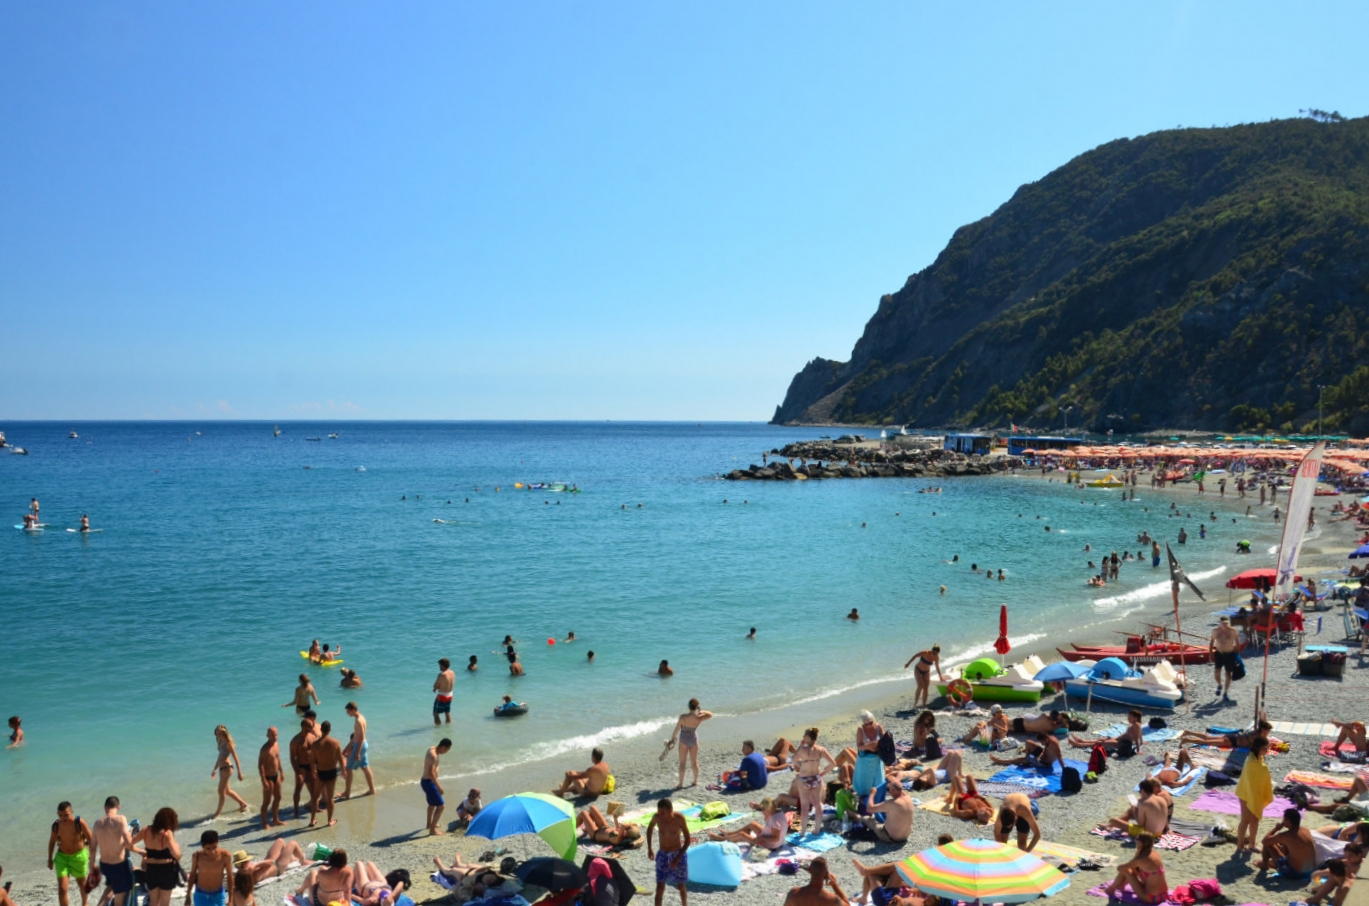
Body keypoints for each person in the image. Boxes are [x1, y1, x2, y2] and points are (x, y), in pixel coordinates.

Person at [791, 728, 837, 837]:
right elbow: (833, 764)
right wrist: (823, 773)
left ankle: (802, 832)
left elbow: (793, 759)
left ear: (808, 737)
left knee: (805, 806)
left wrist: (800, 759)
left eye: (804, 735)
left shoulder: (802, 750)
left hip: (804, 779)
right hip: (816, 778)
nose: (803, 737)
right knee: (817, 804)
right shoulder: (821, 750)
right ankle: (816, 829)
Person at [90, 797, 135, 906]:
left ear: (105, 807)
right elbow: (128, 842)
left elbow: (92, 847)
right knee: (120, 898)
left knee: (111, 887)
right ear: (118, 807)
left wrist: (92, 865)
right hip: (119, 865)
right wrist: (131, 831)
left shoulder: (97, 823)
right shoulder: (120, 819)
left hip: (105, 865)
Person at [131, 808, 180, 906]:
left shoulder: (145, 830)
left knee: (153, 902)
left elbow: (128, 844)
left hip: (151, 871)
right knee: (164, 903)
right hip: (166, 872)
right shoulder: (167, 834)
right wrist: (176, 846)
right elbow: (177, 855)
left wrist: (140, 851)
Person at [646, 799, 690, 906]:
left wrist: (677, 858)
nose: (660, 815)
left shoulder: (679, 819)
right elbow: (650, 829)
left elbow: (688, 840)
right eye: (659, 812)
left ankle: (685, 904)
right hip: (662, 853)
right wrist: (649, 848)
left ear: (671, 810)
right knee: (660, 887)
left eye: (663, 813)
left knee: (680, 885)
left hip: (677, 853)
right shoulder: (657, 817)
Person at [1103, 832, 1167, 905]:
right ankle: (1121, 886)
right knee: (1132, 869)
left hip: (1151, 898)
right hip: (1163, 896)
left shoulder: (1141, 859)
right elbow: (1134, 868)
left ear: (1141, 843)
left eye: (1136, 839)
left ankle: (1112, 889)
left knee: (1126, 870)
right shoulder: (1153, 853)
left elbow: (1120, 868)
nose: (1135, 840)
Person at [1235, 736, 1273, 854]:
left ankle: (1252, 844)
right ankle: (1240, 846)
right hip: (1246, 793)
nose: (1266, 752)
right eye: (1264, 749)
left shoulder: (1257, 758)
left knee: (1255, 820)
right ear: (1258, 748)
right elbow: (1259, 773)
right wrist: (1265, 771)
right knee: (1245, 820)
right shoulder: (1251, 761)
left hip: (1254, 794)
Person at [1255, 807, 1316, 878]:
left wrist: (1275, 829)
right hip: (1309, 871)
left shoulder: (1288, 835)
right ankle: (1274, 863)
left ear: (1289, 821)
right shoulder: (1305, 830)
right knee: (1283, 844)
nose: (1283, 821)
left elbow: (1265, 841)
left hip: (1295, 873)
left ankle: (1264, 865)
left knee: (1268, 844)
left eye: (1284, 819)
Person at [708, 797, 789, 848]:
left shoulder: (775, 821)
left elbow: (776, 838)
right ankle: (729, 834)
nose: (762, 812)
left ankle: (722, 839)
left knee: (742, 835)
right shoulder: (777, 812)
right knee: (752, 824)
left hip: (770, 845)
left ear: (767, 809)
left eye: (763, 810)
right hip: (768, 835)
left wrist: (762, 838)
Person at [669, 699, 714, 789]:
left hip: (683, 739)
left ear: (688, 707)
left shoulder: (683, 717)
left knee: (682, 763)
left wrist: (673, 737)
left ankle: (681, 784)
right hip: (693, 739)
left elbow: (677, 729)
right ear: (696, 707)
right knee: (694, 762)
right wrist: (703, 711)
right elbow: (710, 715)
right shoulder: (699, 718)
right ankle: (695, 781)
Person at [308, 721, 344, 827]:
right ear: (330, 730)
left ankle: (312, 820)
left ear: (321, 730)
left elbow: (312, 761)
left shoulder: (315, 744)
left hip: (321, 772)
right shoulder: (335, 743)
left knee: (315, 797)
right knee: (330, 798)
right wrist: (344, 771)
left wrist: (313, 771)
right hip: (332, 772)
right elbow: (340, 759)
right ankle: (329, 821)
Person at [186, 830, 235, 906]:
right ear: (202, 846)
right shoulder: (197, 856)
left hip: (218, 895)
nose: (212, 851)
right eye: (208, 848)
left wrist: (231, 899)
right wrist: (188, 896)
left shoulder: (225, 856)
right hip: (201, 894)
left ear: (218, 842)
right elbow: (192, 875)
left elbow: (230, 877)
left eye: (214, 847)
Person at [211, 726, 251, 818]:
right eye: (217, 733)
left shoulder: (228, 743)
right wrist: (215, 769)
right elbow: (219, 757)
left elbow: (236, 758)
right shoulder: (221, 743)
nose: (218, 735)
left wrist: (239, 772)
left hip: (227, 768)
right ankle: (243, 804)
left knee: (221, 791)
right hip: (222, 769)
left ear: (224, 733)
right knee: (227, 790)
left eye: (220, 733)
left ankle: (217, 813)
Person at [230, 840, 309, 884]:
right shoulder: (254, 874)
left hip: (270, 864)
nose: (249, 862)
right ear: (244, 864)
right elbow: (271, 862)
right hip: (278, 867)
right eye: (247, 861)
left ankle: (290, 859)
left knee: (280, 841)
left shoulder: (242, 872)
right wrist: (255, 865)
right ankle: (303, 861)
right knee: (293, 843)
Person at [340, 702, 375, 799]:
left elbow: (362, 737)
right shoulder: (359, 718)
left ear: (353, 710)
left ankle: (347, 793)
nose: (347, 713)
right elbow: (356, 735)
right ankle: (372, 790)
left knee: (348, 768)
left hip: (360, 746)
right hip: (360, 745)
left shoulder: (359, 720)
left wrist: (358, 752)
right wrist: (347, 748)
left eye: (348, 711)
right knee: (365, 767)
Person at [1070, 709, 1144, 754]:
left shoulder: (1136, 725)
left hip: (1121, 743)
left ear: (1135, 718)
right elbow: (1140, 734)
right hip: (1118, 739)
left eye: (1130, 718)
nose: (1128, 719)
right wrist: (1142, 742)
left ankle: (1078, 744)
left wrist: (1138, 749)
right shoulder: (1137, 724)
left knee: (1100, 743)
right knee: (1101, 739)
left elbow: (1137, 737)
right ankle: (1081, 740)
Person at [783, 857, 849, 906]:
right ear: (827, 874)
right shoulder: (832, 899)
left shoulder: (794, 893)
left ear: (809, 870)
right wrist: (835, 885)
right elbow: (847, 904)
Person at [288, 717, 317, 820]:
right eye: (309, 726)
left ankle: (314, 808)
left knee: (314, 789)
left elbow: (315, 752)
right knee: (298, 788)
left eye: (312, 725)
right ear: (303, 726)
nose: (312, 727)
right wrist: (298, 773)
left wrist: (316, 767)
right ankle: (296, 811)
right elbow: (292, 758)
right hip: (301, 767)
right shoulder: (295, 741)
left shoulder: (313, 737)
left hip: (311, 766)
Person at [422, 740, 452, 835]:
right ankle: (432, 830)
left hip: (425, 781)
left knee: (432, 805)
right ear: (443, 747)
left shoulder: (432, 748)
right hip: (429, 782)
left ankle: (429, 824)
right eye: (447, 750)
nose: (446, 752)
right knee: (441, 806)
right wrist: (439, 786)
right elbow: (431, 773)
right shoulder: (434, 756)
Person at [256, 727, 284, 830]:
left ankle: (275, 819)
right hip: (268, 777)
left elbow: (277, 759)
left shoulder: (276, 745)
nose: (275, 737)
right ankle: (264, 823)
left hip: (276, 775)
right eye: (272, 735)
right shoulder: (265, 749)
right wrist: (263, 780)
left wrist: (281, 772)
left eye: (276, 734)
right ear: (267, 735)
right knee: (267, 801)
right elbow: (260, 765)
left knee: (278, 797)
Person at [1178, 719, 1272, 749]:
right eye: (1268, 731)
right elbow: (1260, 746)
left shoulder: (1256, 731)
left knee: (1208, 737)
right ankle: (1187, 740)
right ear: (1264, 730)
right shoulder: (1258, 736)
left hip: (1233, 736)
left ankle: (1189, 732)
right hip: (1233, 741)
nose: (1268, 733)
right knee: (1207, 741)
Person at [577, 804, 642, 846]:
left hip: (595, 833)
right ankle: (587, 827)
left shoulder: (617, 839)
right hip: (604, 827)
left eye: (627, 828)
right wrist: (615, 818)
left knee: (584, 813)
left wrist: (628, 825)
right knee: (592, 807)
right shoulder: (622, 833)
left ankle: (571, 828)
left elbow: (622, 827)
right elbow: (620, 828)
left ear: (627, 833)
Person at [853, 710, 885, 796]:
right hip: (865, 759)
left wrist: (879, 743)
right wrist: (869, 746)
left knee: (878, 780)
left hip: (877, 758)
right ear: (863, 723)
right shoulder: (860, 729)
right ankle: (864, 797)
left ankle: (878, 796)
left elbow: (885, 741)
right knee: (864, 782)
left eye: (871, 723)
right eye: (866, 724)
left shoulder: (878, 727)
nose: (869, 726)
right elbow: (859, 746)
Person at [992, 732, 1062, 771]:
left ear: (1046, 739)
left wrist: (1064, 768)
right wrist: (1041, 754)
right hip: (1042, 755)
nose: (1041, 744)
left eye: (1042, 742)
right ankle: (1027, 756)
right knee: (1028, 742)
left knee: (1019, 760)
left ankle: (1000, 761)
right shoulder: (1049, 741)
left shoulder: (1053, 745)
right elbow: (1045, 750)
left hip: (1042, 763)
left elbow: (1059, 756)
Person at [1210, 616, 1241, 700]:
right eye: (1223, 623)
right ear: (1220, 623)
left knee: (1228, 674)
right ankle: (1220, 684)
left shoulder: (1232, 630)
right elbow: (1212, 642)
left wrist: (1238, 650)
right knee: (1217, 673)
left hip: (1230, 653)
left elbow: (1237, 640)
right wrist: (1211, 654)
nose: (1225, 625)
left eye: (1226, 623)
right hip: (1219, 653)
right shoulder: (1216, 631)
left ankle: (1225, 693)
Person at [433, 658, 455, 725]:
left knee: (435, 714)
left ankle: (438, 729)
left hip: (442, 696)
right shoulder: (452, 672)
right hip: (450, 695)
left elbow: (436, 685)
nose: (439, 667)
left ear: (443, 665)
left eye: (440, 665)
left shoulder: (442, 675)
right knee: (447, 712)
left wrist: (434, 688)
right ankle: (448, 728)